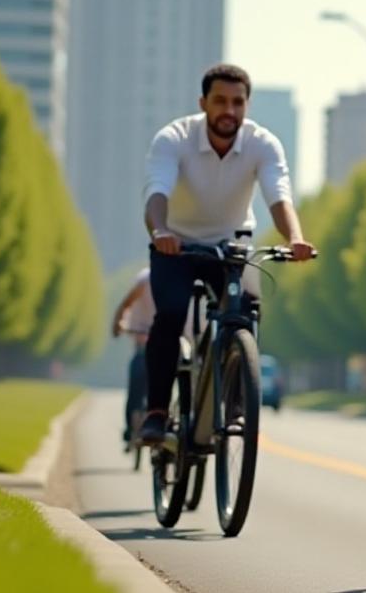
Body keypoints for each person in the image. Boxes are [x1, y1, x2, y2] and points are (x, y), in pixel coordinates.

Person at [138, 64, 315, 446]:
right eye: (219, 101)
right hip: (176, 243)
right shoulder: (174, 138)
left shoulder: (262, 143)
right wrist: (161, 231)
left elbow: (279, 195)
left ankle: (235, 401)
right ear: (203, 103)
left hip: (230, 245)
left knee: (244, 310)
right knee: (171, 314)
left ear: (247, 106)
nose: (229, 111)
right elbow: (156, 192)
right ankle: (156, 412)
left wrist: (295, 237)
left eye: (237, 102)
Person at [110, 266, 155, 449]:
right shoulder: (145, 281)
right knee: (137, 376)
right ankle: (131, 426)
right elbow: (125, 304)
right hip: (143, 337)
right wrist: (118, 322)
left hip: (161, 338)